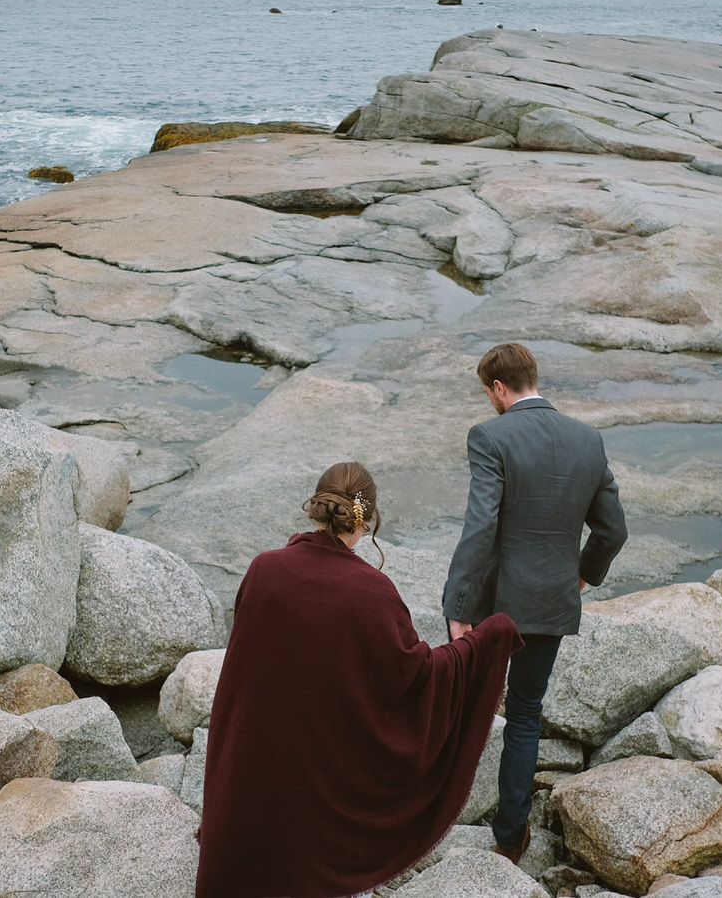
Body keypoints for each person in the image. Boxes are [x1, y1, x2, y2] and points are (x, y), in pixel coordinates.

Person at [195, 461, 522, 898]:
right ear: (366, 521)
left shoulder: (263, 571)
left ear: (316, 508)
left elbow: (241, 682)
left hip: (253, 789)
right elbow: (421, 678)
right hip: (330, 808)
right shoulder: (373, 592)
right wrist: (486, 640)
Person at [442, 341, 627, 863]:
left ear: (499, 389)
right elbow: (613, 530)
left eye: (487, 393)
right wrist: (583, 576)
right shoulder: (587, 439)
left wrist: (458, 605)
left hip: (492, 605)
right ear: (532, 378)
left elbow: (480, 528)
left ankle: (435, 807)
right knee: (526, 714)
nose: (488, 401)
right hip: (550, 601)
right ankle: (510, 837)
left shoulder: (490, 436)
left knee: (463, 703)